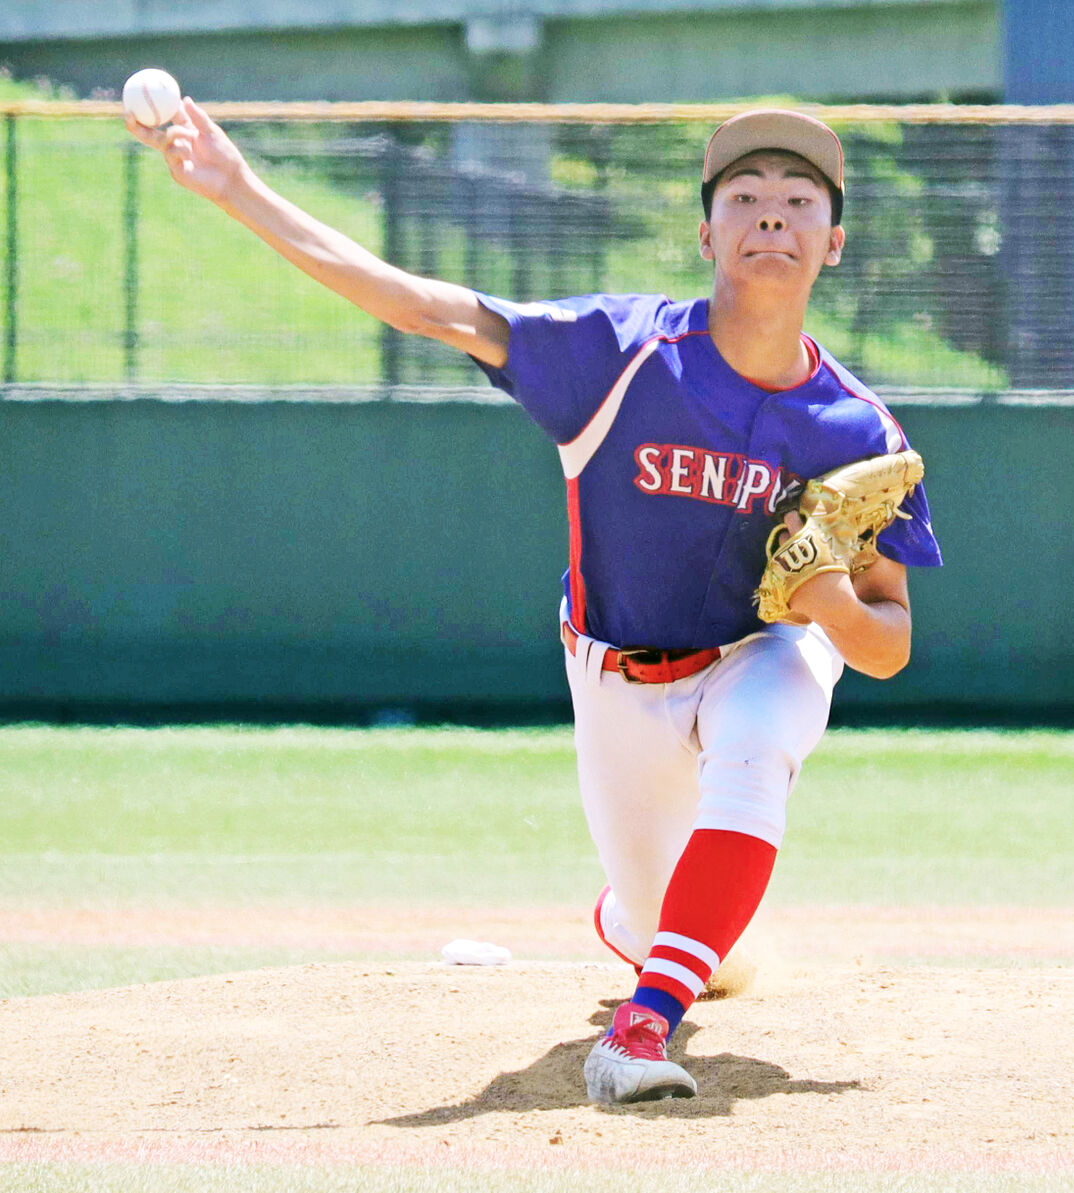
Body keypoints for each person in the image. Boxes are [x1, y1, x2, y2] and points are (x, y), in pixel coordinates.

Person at [126, 102, 942, 1105]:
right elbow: (423, 305)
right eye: (744, 195)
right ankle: (648, 931)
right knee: (683, 938)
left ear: (834, 240)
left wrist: (828, 605)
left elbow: (890, 641)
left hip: (759, 649)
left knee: (767, 715)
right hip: (617, 676)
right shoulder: (620, 353)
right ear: (705, 232)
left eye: (798, 198)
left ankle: (643, 1026)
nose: (770, 214)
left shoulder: (857, 427)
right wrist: (238, 189)